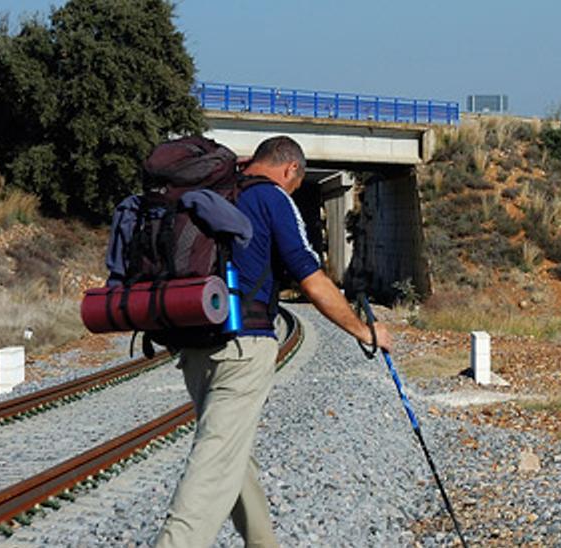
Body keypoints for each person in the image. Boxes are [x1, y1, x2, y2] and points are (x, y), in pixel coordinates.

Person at [156, 136, 392, 548]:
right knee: (214, 463)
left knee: (229, 450)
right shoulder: (274, 198)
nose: (294, 190)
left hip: (194, 343)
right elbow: (312, 279)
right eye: (296, 184)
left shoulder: (214, 191)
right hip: (243, 347)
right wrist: (364, 331)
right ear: (290, 170)